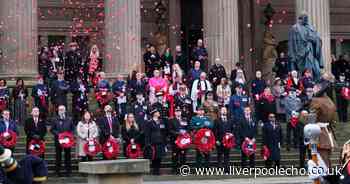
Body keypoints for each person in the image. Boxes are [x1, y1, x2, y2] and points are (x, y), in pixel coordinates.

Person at [288, 13, 324, 80]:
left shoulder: (311, 28)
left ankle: (315, 84)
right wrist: (292, 55)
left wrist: (315, 40)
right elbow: (291, 44)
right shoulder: (295, 28)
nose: (306, 20)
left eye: (307, 18)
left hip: (310, 53)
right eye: (305, 18)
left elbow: (318, 39)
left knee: (317, 71)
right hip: (300, 54)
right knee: (304, 72)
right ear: (300, 19)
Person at [50, 105, 74, 177]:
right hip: (58, 141)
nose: (61, 111)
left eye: (62, 109)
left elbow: (73, 129)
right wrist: (59, 134)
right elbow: (52, 129)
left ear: (65, 110)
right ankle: (57, 172)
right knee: (58, 156)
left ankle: (68, 171)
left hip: (67, 141)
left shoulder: (69, 119)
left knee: (68, 156)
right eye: (60, 109)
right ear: (58, 111)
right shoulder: (54, 119)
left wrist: (70, 135)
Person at [144, 108, 167, 175]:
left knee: (159, 157)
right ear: (154, 114)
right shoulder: (149, 122)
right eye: (157, 112)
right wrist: (147, 143)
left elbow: (163, 132)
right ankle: (155, 171)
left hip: (160, 142)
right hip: (153, 143)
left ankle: (158, 170)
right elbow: (147, 134)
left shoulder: (161, 121)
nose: (159, 113)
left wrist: (164, 143)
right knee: (154, 157)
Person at [214, 106, 235, 171]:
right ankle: (219, 170)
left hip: (228, 141)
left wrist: (232, 134)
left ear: (227, 111)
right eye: (222, 110)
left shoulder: (230, 120)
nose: (224, 111)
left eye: (225, 110)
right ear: (220, 111)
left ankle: (227, 169)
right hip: (219, 141)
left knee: (227, 155)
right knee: (219, 156)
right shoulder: (216, 120)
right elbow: (215, 131)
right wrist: (216, 140)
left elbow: (233, 129)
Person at [168, 107, 189, 173]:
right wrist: (178, 133)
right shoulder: (171, 120)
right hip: (175, 141)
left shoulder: (184, 119)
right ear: (174, 113)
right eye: (177, 111)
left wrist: (185, 133)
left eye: (179, 111)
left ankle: (183, 169)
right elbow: (170, 130)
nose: (178, 112)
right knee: (175, 156)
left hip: (183, 141)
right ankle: (174, 170)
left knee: (183, 156)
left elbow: (187, 128)